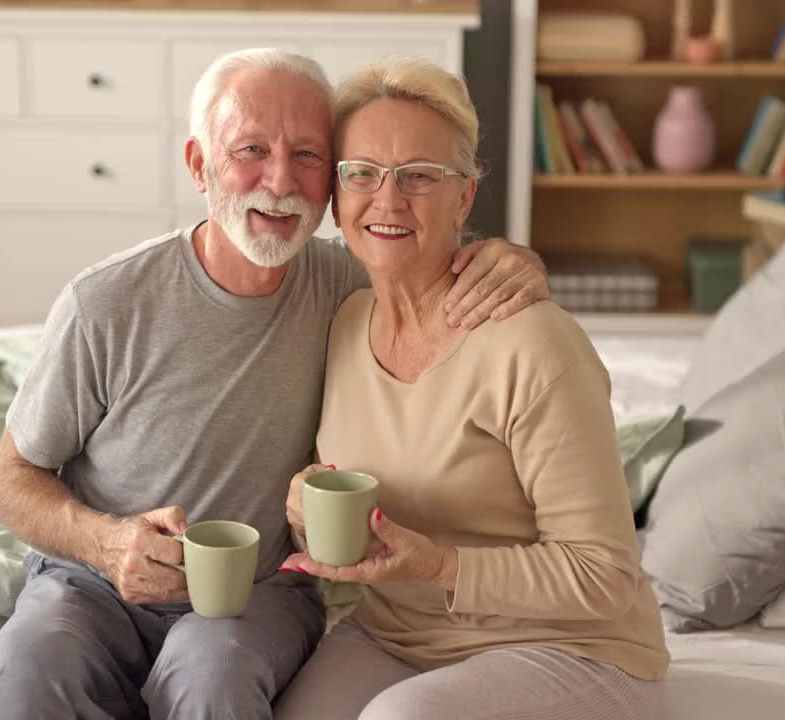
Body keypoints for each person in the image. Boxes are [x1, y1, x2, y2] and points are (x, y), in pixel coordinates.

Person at [0, 48, 550, 720]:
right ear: (199, 165)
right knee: (26, 677)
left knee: (212, 678)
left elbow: (440, 269)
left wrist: (518, 259)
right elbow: (7, 480)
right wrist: (105, 542)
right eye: (251, 149)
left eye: (307, 156)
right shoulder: (105, 302)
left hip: (261, 588)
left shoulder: (352, 288)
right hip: (90, 580)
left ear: (331, 183)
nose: (279, 181)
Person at [274, 58, 669, 720]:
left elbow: (605, 576)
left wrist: (438, 566)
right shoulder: (342, 321)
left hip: (572, 649)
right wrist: (303, 512)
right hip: (399, 637)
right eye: (363, 173)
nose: (388, 200)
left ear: (464, 198)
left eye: (420, 177)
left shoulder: (534, 345)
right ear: (335, 196)